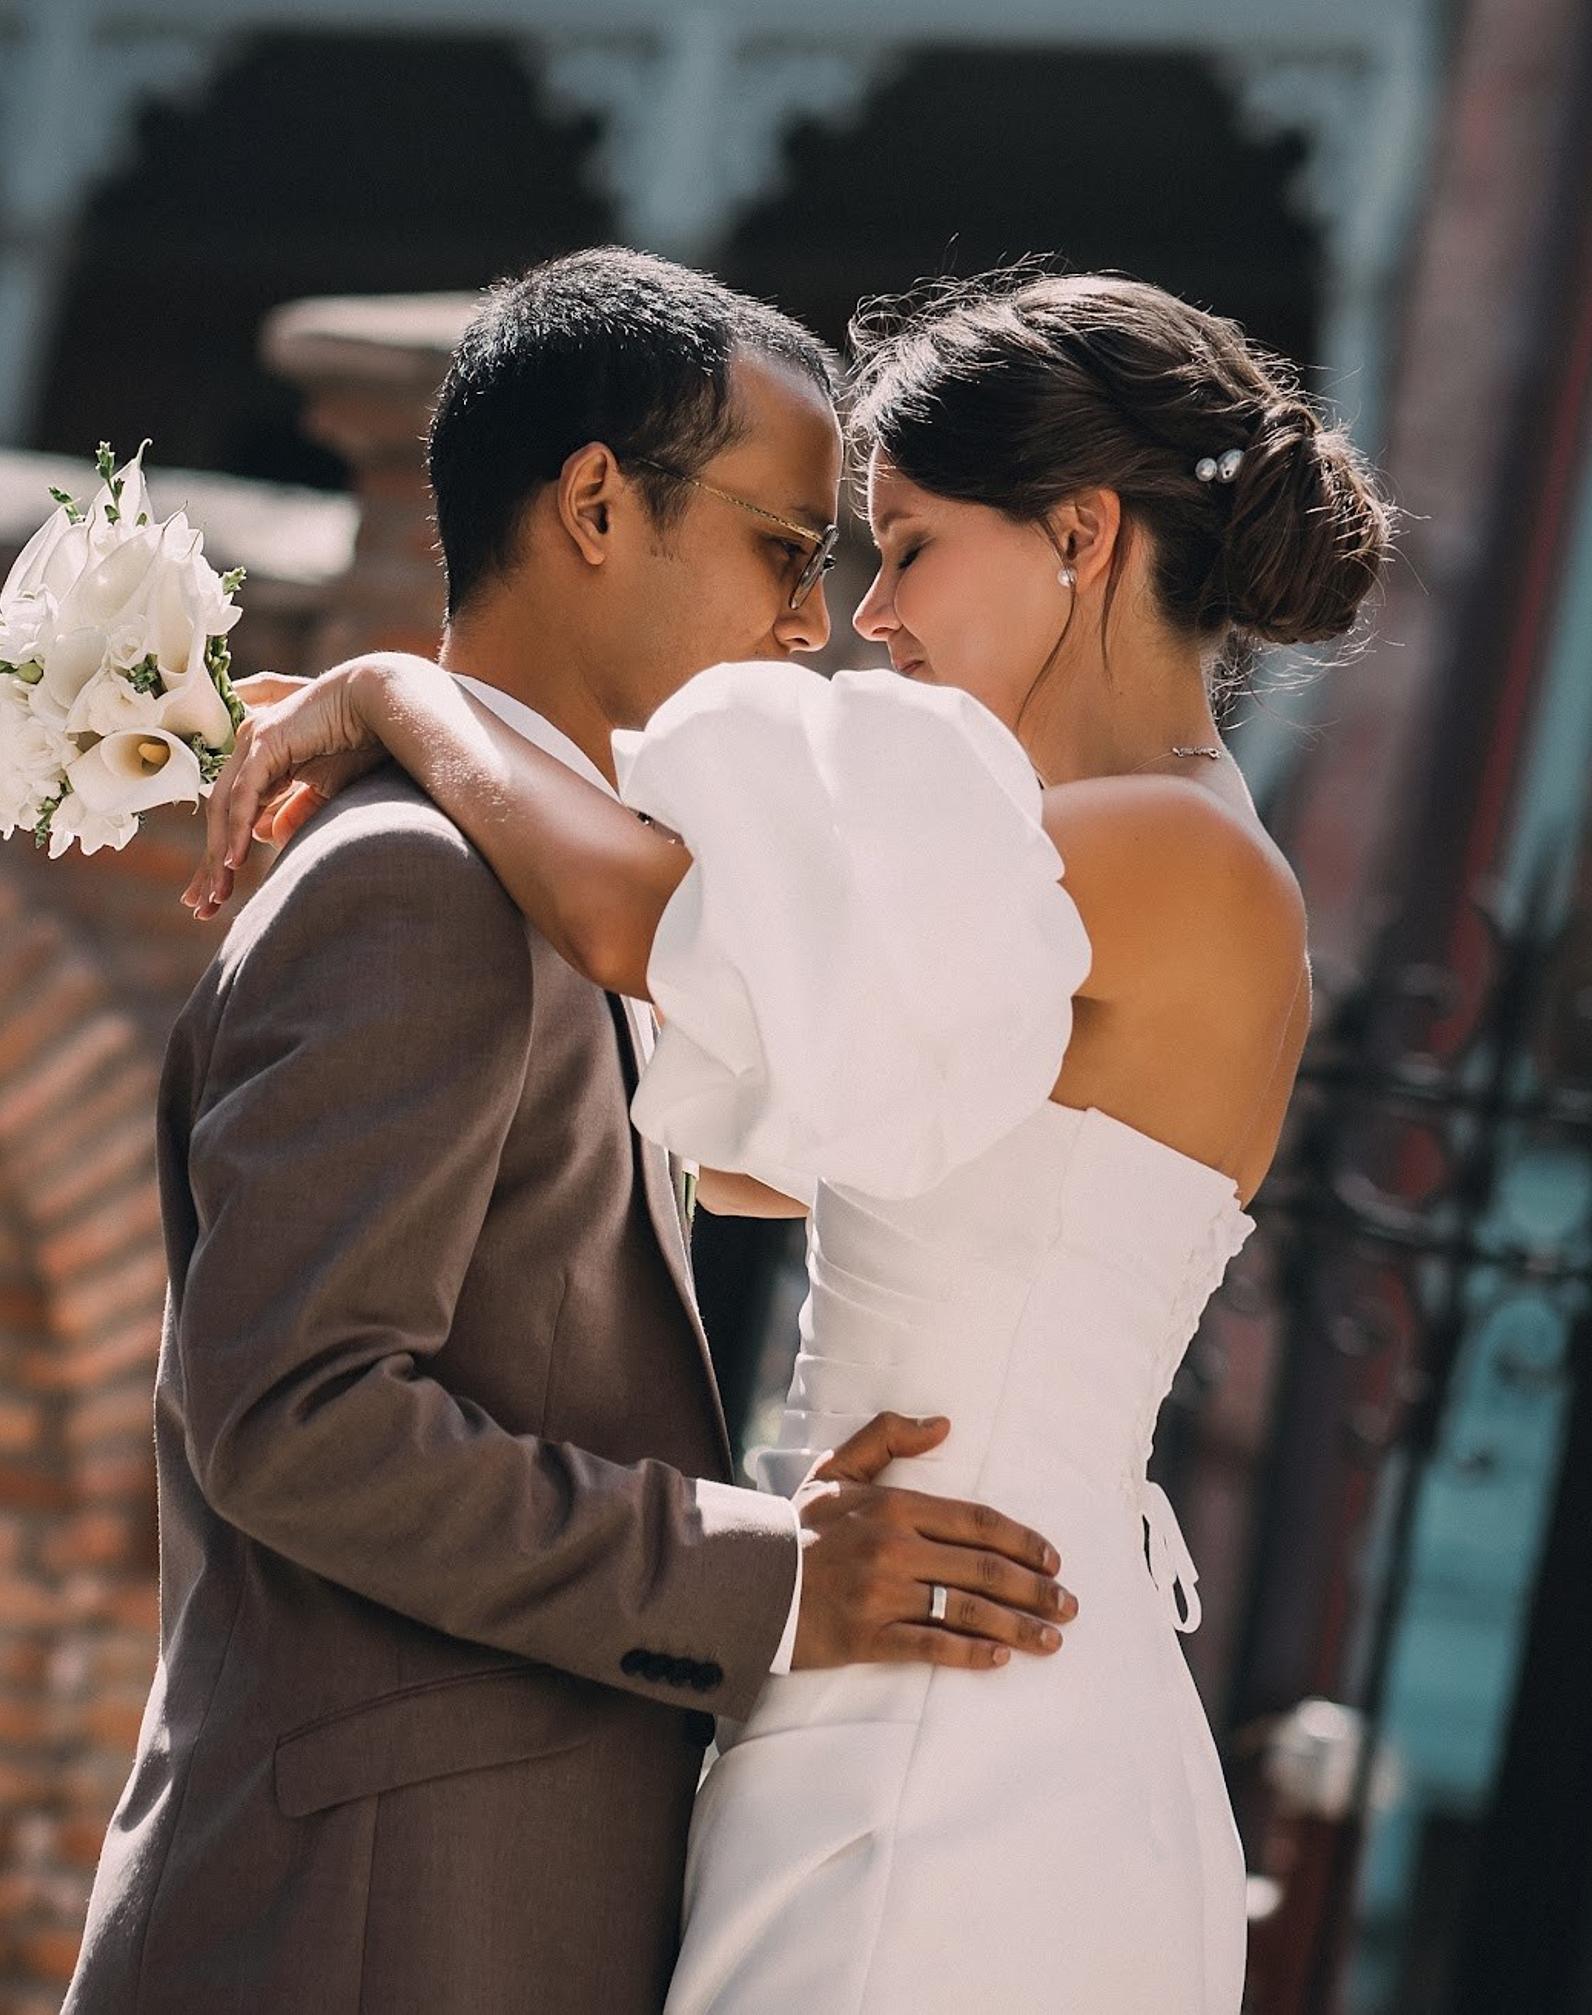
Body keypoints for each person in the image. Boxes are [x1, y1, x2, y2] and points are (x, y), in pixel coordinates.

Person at [192, 269, 1390, 2015]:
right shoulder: (1055, 877)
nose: (867, 617)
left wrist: (397, 694)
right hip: (887, 1654)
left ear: (1078, 538)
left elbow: (644, 929)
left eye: (906, 547)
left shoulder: (1172, 857)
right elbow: (732, 1133)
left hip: (966, 1722)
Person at [62, 252, 1077, 2015]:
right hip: (356, 1925)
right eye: (786, 544)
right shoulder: (414, 887)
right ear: (600, 504)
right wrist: (763, 1574)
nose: (812, 623)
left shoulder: (530, 893)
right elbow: (294, 1419)